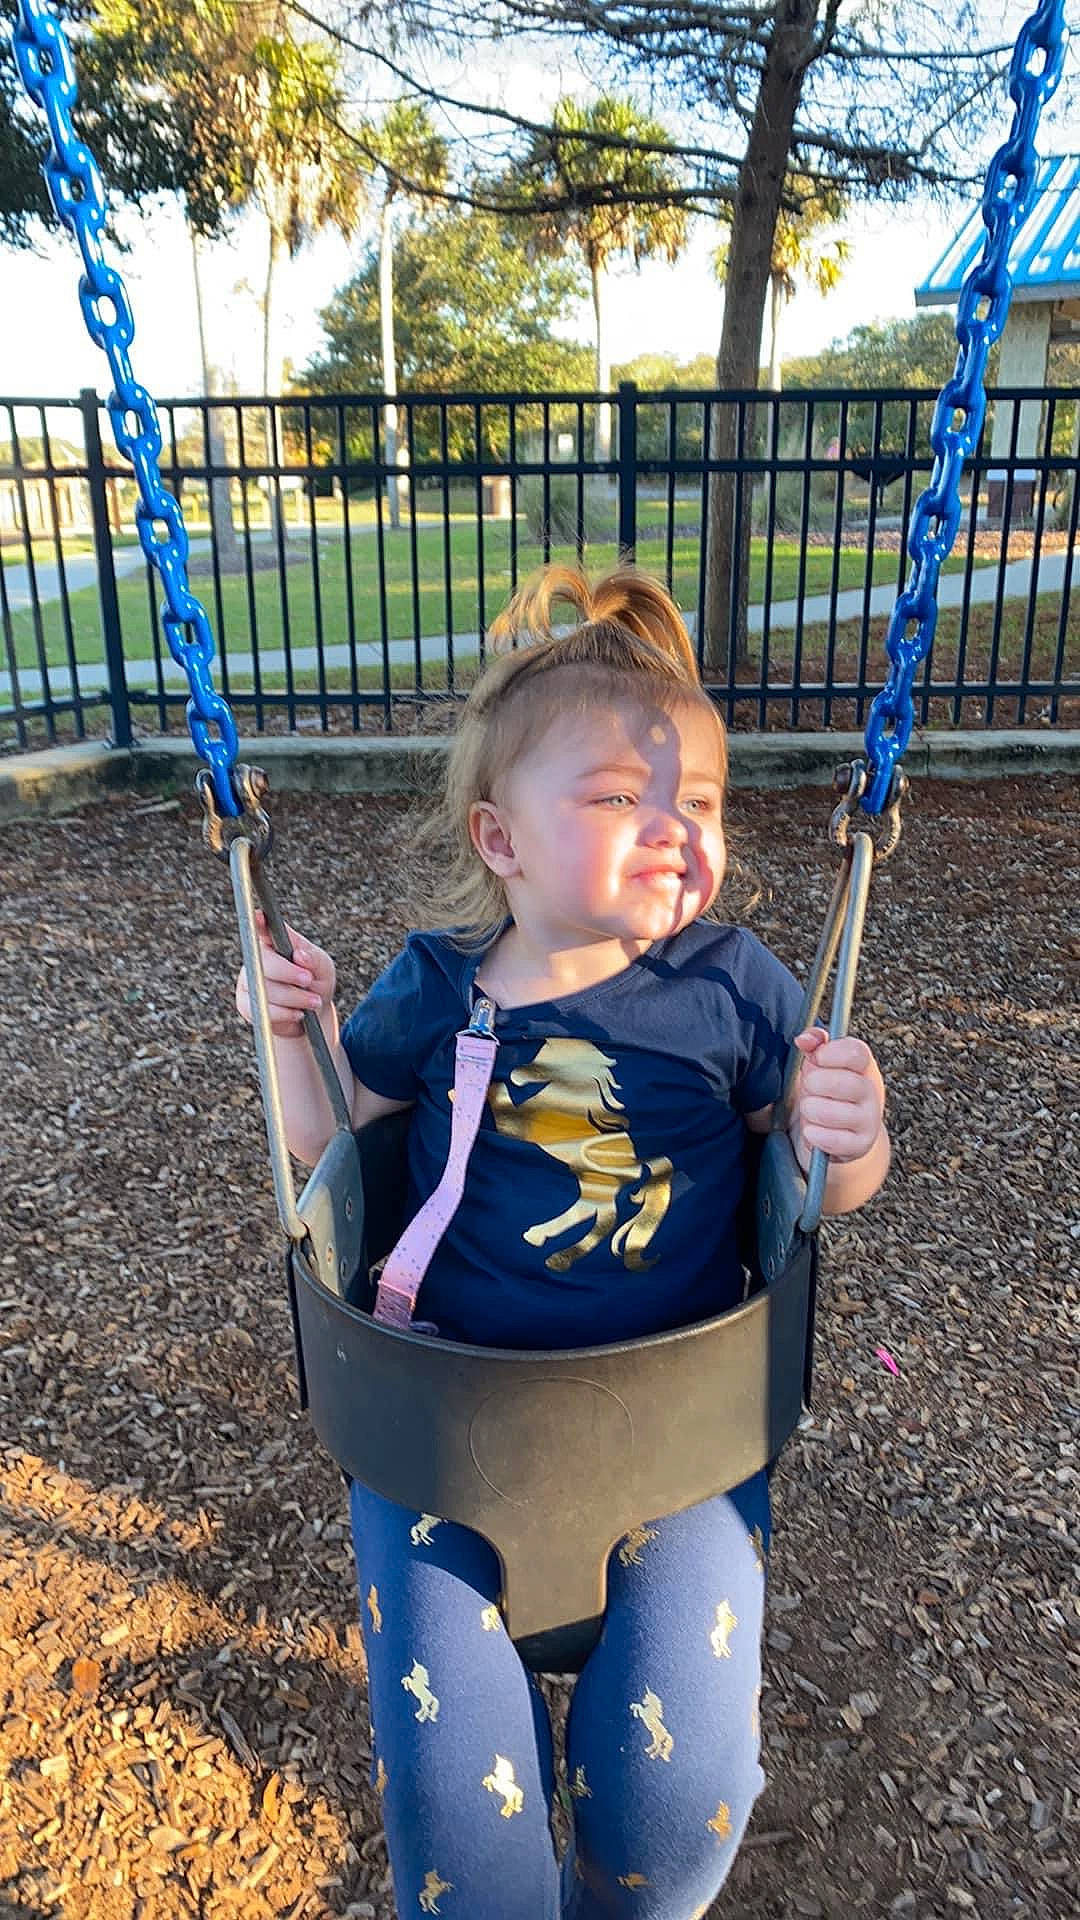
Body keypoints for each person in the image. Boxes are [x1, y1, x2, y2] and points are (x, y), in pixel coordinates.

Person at [235, 564, 890, 1920]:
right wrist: (284, 1033)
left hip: (680, 1444)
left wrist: (850, 1126)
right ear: (500, 840)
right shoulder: (436, 988)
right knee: (462, 1851)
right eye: (616, 798)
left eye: (696, 803)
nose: (672, 829)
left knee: (677, 1811)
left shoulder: (738, 989)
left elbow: (817, 1187)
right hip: (448, 1442)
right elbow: (331, 1161)